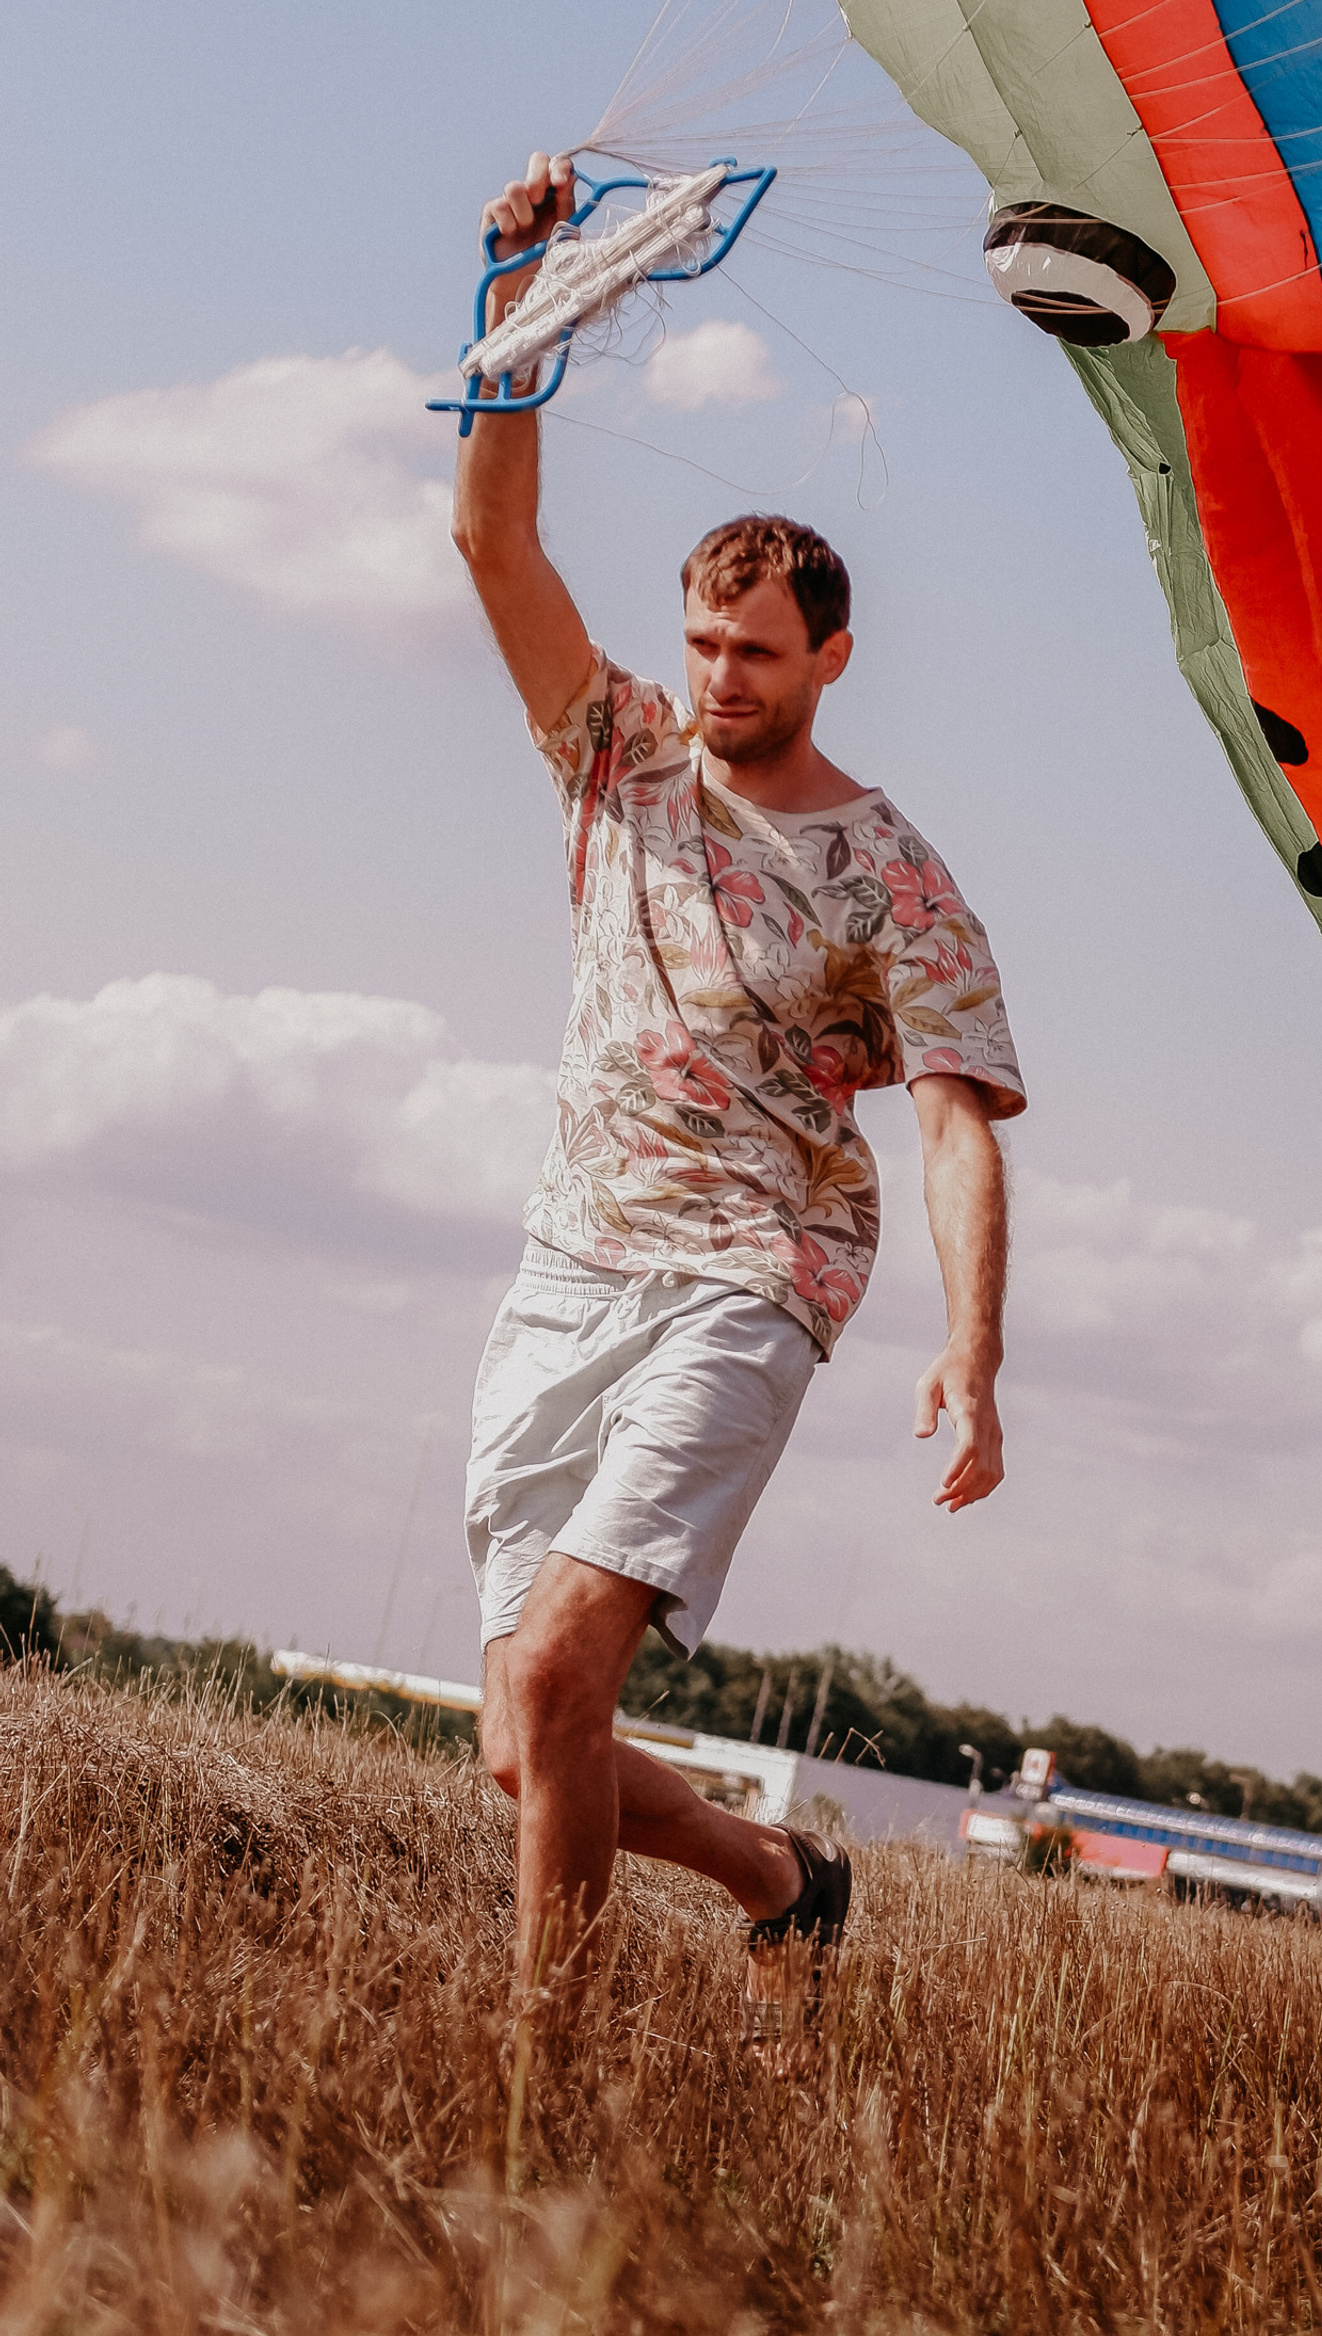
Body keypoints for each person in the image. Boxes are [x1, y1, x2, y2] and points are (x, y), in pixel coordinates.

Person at [448, 150, 1024, 2030]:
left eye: (757, 655)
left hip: (751, 1275)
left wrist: (976, 1344)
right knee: (519, 1744)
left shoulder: (893, 872)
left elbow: (951, 1115)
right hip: (571, 1263)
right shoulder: (620, 757)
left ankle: (551, 2064)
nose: (718, 680)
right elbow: (492, 548)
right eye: (700, 642)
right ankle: (787, 1882)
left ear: (833, 656)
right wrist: (516, 302)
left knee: (557, 1682)